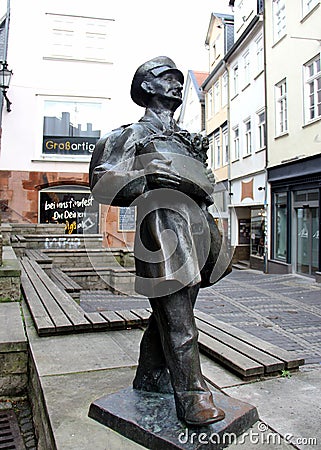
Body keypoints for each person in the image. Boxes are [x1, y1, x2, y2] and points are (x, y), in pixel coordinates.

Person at [90, 56, 230, 426]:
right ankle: (193, 396)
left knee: (171, 313)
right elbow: (102, 183)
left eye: (178, 79)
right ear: (146, 86)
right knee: (180, 318)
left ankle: (151, 374)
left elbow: (205, 184)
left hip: (196, 227)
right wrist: (146, 174)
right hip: (162, 228)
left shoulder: (186, 139)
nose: (177, 84)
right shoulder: (125, 137)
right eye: (167, 78)